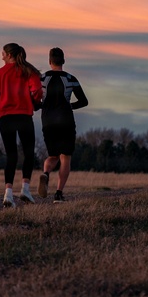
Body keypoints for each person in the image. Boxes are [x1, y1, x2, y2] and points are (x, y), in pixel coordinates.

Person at [0, 43, 43, 209]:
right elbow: (37, 90)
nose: (2, 57)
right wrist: (34, 102)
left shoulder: (0, 73)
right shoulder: (28, 71)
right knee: (29, 153)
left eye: (3, 54)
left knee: (11, 155)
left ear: (9, 55)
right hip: (24, 115)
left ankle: (8, 193)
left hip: (6, 117)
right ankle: (25, 188)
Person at [37, 47, 88, 203]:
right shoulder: (71, 79)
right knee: (65, 157)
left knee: (53, 156)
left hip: (48, 121)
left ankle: (45, 173)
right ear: (63, 61)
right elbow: (84, 101)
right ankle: (58, 194)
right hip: (66, 120)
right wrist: (69, 106)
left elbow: (34, 100)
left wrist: (41, 105)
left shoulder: (41, 79)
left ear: (49, 61)